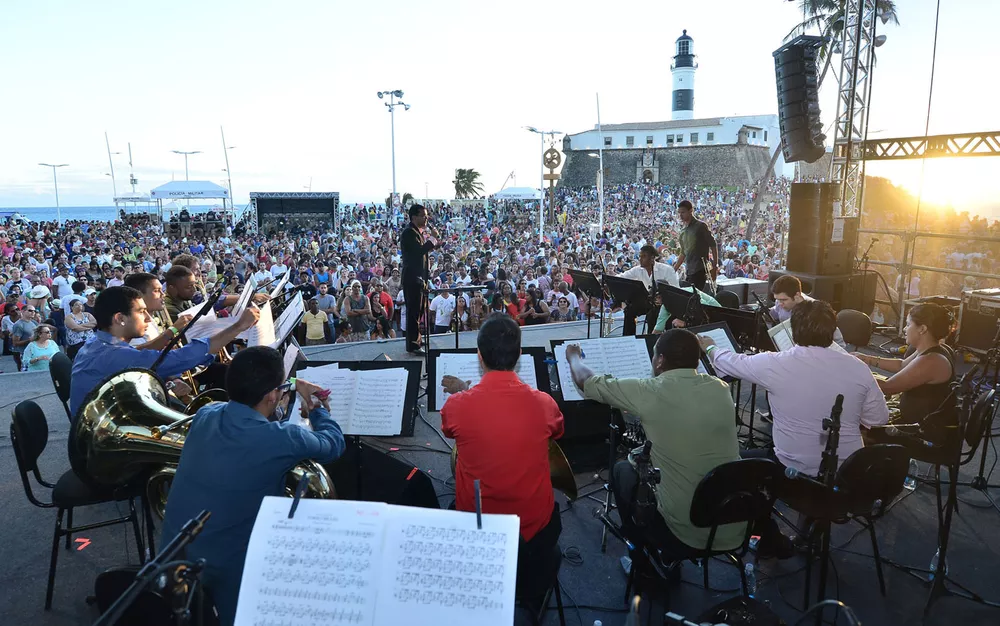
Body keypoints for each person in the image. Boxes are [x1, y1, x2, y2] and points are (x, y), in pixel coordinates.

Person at [160, 347, 345, 626]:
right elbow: (334, 445)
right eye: (281, 389)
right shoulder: (284, 438)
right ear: (272, 395)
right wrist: (315, 407)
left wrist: (293, 384)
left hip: (173, 555)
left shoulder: (205, 414)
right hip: (227, 569)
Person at [564, 329, 748, 558]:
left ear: (660, 360)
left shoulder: (649, 391)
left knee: (622, 470)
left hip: (686, 533)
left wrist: (573, 356)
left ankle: (642, 560)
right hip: (734, 521)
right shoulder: (720, 388)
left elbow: (586, 382)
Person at [440, 313, 564, 605]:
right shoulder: (545, 403)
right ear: (519, 354)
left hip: (479, 529)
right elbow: (557, 430)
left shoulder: (457, 405)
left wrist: (464, 392)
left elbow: (449, 428)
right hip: (535, 532)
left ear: (479, 356)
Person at [699, 300, 889, 477]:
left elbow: (735, 362)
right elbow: (879, 418)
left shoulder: (775, 364)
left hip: (791, 469)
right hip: (847, 472)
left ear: (793, 330)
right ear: (832, 331)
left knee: (725, 461)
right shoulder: (859, 367)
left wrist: (710, 349)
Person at [69, 286, 260, 417]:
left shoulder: (96, 344)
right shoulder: (113, 355)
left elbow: (139, 354)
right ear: (120, 318)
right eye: (141, 312)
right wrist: (239, 326)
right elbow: (180, 358)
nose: (148, 318)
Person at [858, 303, 956, 442]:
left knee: (859, 425)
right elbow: (902, 365)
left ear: (922, 329)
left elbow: (889, 387)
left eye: (908, 324)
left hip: (924, 431)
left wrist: (852, 374)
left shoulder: (931, 360)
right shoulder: (930, 349)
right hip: (918, 421)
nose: (904, 329)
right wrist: (866, 358)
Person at [400, 204, 439, 355]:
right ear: (414, 217)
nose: (426, 218)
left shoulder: (417, 232)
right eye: (423, 215)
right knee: (413, 312)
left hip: (419, 278)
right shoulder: (409, 233)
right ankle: (413, 345)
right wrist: (433, 239)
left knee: (419, 310)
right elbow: (418, 252)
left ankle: (417, 339)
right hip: (412, 278)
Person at [768, 275, 846, 348]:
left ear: (797, 295)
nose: (780, 304)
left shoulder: (815, 311)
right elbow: (775, 312)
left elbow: (837, 340)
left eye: (783, 300)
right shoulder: (780, 302)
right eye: (777, 299)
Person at [619, 244, 680, 335]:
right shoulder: (637, 270)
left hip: (665, 303)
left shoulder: (667, 270)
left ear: (652, 258)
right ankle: (629, 338)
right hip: (648, 302)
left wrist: (663, 299)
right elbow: (621, 277)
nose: (640, 259)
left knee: (653, 313)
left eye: (643, 256)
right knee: (629, 310)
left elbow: (675, 290)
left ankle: (651, 338)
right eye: (640, 256)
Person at [673, 200, 718, 293]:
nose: (681, 215)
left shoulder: (700, 226)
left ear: (691, 211)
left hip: (700, 269)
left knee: (694, 297)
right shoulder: (683, 231)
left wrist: (715, 265)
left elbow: (713, 245)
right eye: (679, 213)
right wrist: (674, 269)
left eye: (683, 212)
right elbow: (683, 252)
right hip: (689, 269)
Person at [10, 304, 40, 372]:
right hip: (24, 354)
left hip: (35, 352)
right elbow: (15, 343)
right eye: (30, 310)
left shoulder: (34, 322)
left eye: (34, 311)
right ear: (23, 312)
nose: (33, 312)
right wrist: (29, 340)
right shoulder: (18, 325)